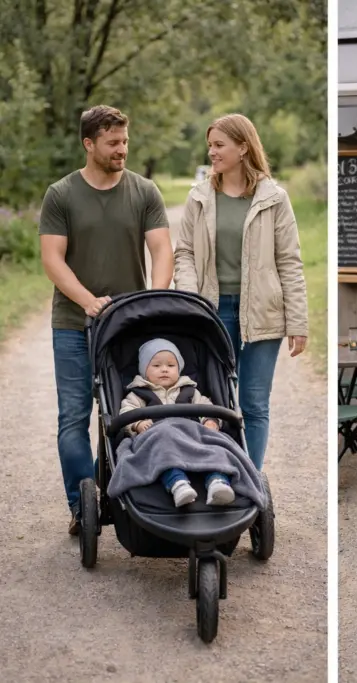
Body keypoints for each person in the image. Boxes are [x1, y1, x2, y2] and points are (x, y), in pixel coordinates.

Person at [39, 105, 173, 536]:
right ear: (89, 144)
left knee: (124, 412)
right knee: (74, 416)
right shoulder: (61, 195)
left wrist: (154, 298)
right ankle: (82, 507)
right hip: (73, 324)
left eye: (125, 141)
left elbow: (161, 250)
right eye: (113, 143)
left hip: (127, 325)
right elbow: (53, 260)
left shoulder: (144, 191)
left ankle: (109, 491)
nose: (122, 150)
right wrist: (89, 301)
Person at [174, 113, 308, 472]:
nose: (212, 153)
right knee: (214, 401)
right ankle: (217, 475)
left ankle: (249, 480)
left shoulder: (273, 198)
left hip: (264, 311)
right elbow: (184, 251)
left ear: (243, 147)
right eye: (210, 145)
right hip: (212, 312)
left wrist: (298, 321)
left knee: (253, 403)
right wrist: (191, 300)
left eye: (219, 145)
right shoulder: (199, 197)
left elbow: (290, 262)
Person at [119, 338, 234, 507]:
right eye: (156, 366)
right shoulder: (138, 394)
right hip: (161, 440)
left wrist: (210, 420)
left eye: (171, 366)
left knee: (215, 445)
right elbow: (126, 412)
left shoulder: (190, 391)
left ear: (179, 369)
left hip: (192, 439)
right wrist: (137, 424)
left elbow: (207, 406)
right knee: (162, 451)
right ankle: (178, 484)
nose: (164, 370)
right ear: (144, 370)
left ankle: (218, 481)